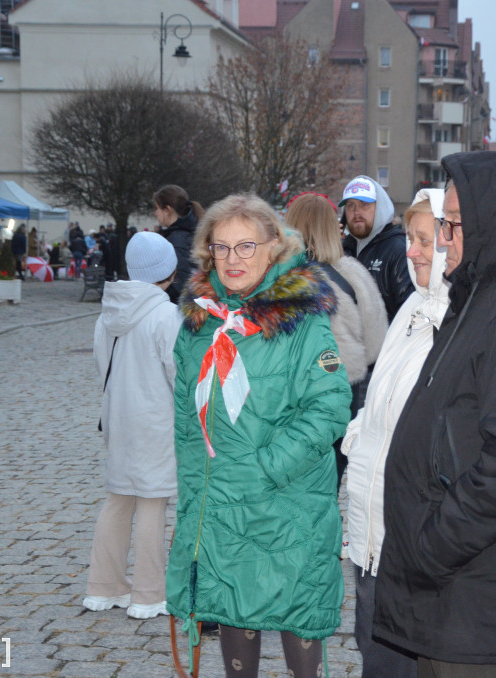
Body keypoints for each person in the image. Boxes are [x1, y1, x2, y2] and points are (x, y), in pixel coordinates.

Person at [374, 152, 496, 677]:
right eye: (443, 223)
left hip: (480, 594)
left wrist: (433, 546)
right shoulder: (485, 290)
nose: (442, 239)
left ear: (495, 219)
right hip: (457, 596)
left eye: (453, 224)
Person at [167, 194, 351, 678]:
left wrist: (266, 467)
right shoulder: (198, 322)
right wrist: (195, 495)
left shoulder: (302, 320)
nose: (232, 259)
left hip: (285, 511)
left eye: (246, 246)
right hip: (223, 510)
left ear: (274, 247)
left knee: (298, 630)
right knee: (233, 617)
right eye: (221, 247)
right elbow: (188, 423)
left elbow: (330, 406)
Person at [341, 188, 447, 678]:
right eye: (410, 237)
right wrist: (359, 438)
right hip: (371, 526)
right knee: (373, 649)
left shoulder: (457, 320)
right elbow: (379, 390)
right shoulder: (412, 309)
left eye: (425, 240)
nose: (412, 251)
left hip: (407, 539)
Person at [84, 232, 182, 620]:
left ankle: (102, 587)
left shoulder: (108, 315)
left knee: (119, 498)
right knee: (152, 503)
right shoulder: (166, 316)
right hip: (156, 422)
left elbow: (100, 365)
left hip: (118, 418)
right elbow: (180, 376)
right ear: (169, 271)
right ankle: (148, 592)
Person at [284, 192, 388, 489]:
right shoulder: (355, 275)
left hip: (291, 397)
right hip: (343, 393)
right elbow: (376, 343)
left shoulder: (277, 279)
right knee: (328, 483)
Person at [340, 176, 414, 321]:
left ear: (380, 207)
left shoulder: (399, 250)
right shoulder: (342, 251)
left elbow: (408, 316)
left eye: (364, 204)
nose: (356, 213)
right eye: (350, 206)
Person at [153, 185, 205, 304]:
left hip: (179, 311)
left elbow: (181, 283)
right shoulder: (189, 232)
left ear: (167, 210)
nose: (155, 213)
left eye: (157, 208)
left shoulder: (177, 240)